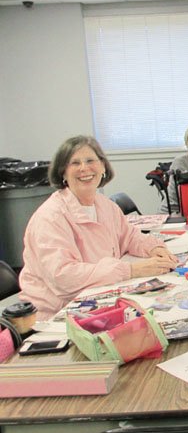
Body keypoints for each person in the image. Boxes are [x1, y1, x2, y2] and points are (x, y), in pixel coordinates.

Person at [20, 136, 178, 320]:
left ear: (103, 166)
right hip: (56, 317)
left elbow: (130, 237)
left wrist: (154, 247)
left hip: (96, 299)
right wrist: (131, 271)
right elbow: (64, 277)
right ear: (63, 172)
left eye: (90, 160)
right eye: (74, 163)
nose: (84, 168)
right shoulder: (51, 217)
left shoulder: (104, 205)